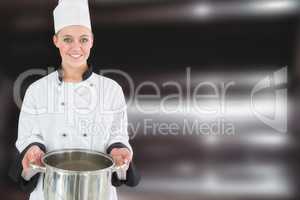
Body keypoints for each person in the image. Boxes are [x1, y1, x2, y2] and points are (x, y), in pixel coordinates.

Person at [9, 0, 140, 199]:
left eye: (83, 39)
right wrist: (33, 150)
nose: (76, 47)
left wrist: (119, 150)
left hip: (97, 191)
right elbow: (27, 137)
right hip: (49, 191)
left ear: (92, 40)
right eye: (68, 39)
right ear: (56, 40)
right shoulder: (37, 90)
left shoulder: (111, 89)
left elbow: (117, 135)